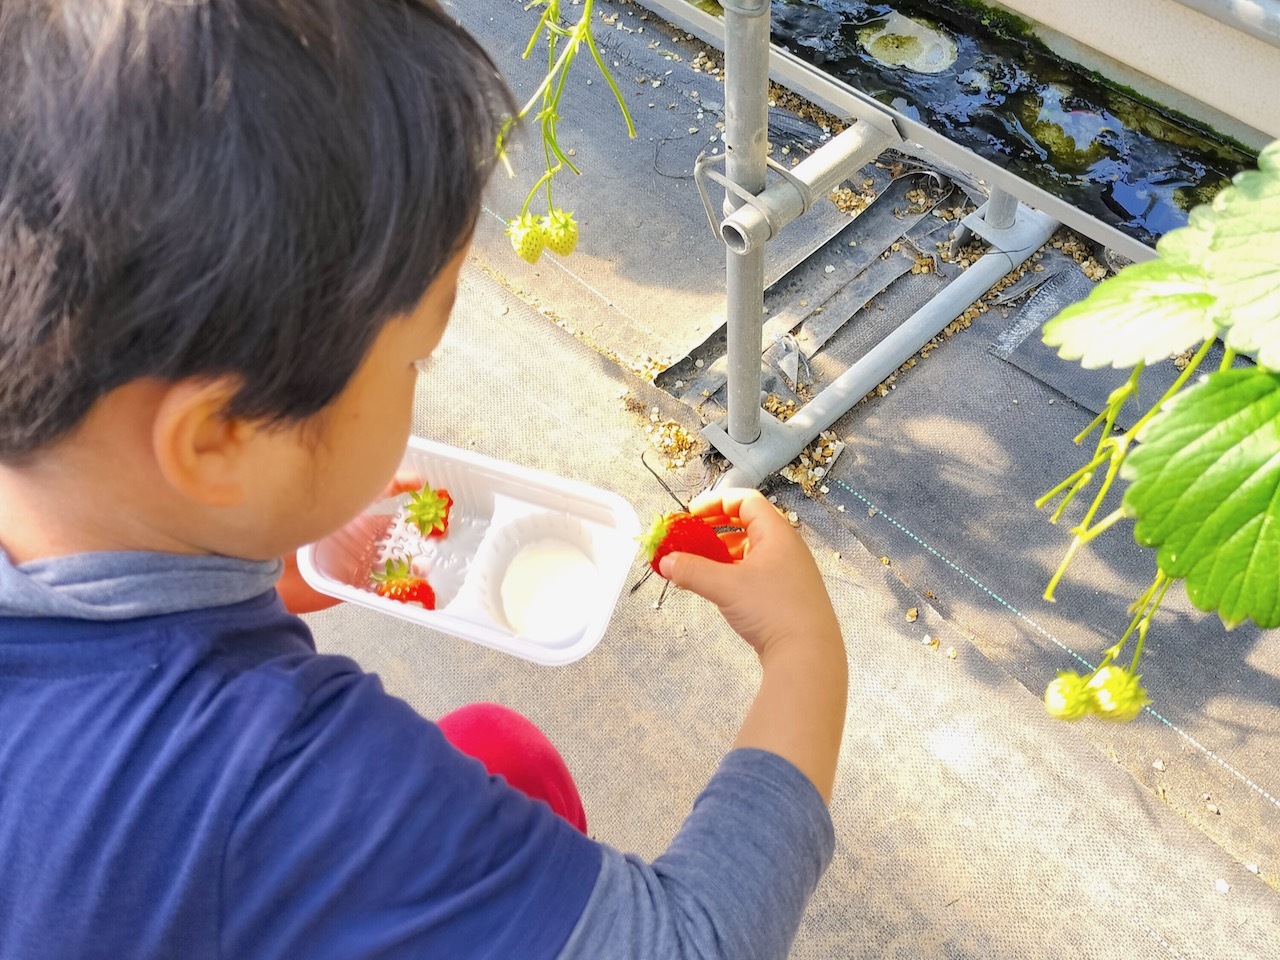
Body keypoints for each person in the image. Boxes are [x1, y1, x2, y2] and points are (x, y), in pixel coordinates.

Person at [0, 0, 849, 957]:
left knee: (503, 758)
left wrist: (278, 561)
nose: (418, 387)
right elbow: (696, 944)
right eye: (413, 363)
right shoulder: (287, 785)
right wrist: (803, 649)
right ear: (222, 440)